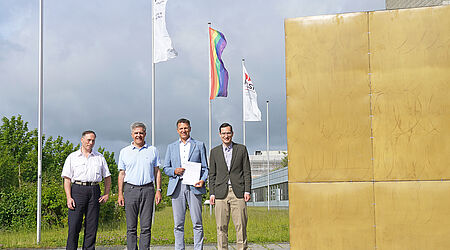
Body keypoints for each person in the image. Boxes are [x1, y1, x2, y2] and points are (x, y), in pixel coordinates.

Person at [61, 130, 111, 250]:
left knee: (91, 226)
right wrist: (69, 197)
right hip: (77, 190)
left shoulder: (99, 157)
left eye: (93, 140)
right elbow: (67, 179)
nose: (91, 142)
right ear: (82, 140)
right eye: (88, 140)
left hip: (94, 190)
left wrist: (106, 194)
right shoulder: (72, 157)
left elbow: (108, 177)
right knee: (74, 226)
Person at [163, 118, 208, 250]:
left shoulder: (199, 145)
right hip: (177, 187)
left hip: (194, 186)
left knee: (197, 222)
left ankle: (198, 248)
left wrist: (203, 180)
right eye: (181, 128)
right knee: (178, 224)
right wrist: (174, 171)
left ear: (190, 128)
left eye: (186, 128)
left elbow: (205, 168)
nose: (184, 130)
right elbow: (166, 168)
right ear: (177, 130)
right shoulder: (171, 147)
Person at [117, 122, 162, 250]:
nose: (138, 135)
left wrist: (158, 190)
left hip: (148, 190)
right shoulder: (124, 152)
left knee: (146, 227)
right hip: (130, 190)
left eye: (141, 133)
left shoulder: (153, 150)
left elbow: (157, 171)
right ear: (132, 134)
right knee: (131, 227)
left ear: (145, 134)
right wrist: (120, 193)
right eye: (136, 133)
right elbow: (121, 174)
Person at [209, 123, 252, 250]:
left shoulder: (241, 149)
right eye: (223, 133)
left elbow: (247, 171)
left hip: (238, 192)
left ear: (232, 134)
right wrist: (212, 193)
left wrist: (247, 190)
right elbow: (212, 174)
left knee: (241, 226)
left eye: (228, 133)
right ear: (219, 135)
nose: (226, 136)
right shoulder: (215, 152)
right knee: (221, 227)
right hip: (220, 193)